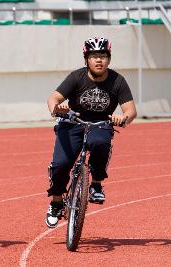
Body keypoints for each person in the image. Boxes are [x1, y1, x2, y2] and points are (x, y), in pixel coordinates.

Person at [45, 37, 137, 228]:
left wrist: (123, 118)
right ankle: (56, 202)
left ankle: (95, 184)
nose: (99, 60)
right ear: (86, 59)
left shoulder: (118, 81)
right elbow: (53, 98)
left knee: (100, 143)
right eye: (94, 56)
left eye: (103, 56)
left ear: (109, 59)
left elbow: (131, 110)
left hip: (101, 123)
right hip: (72, 122)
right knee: (61, 164)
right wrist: (56, 108)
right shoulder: (76, 77)